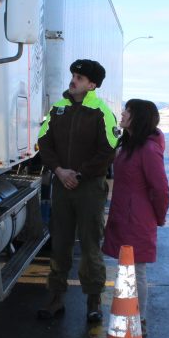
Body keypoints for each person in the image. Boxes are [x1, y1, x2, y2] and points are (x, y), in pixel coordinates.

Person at [37, 59, 119, 323]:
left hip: (89, 188)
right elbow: (43, 141)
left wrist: (80, 174)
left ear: (92, 84)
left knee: (90, 246)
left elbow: (108, 151)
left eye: (80, 78)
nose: (73, 80)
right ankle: (55, 299)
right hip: (62, 185)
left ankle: (93, 302)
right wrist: (60, 171)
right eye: (73, 75)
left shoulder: (102, 112)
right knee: (59, 243)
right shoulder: (58, 109)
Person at [101, 99, 169, 338]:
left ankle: (139, 321)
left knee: (135, 270)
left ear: (137, 117)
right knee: (125, 269)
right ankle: (128, 315)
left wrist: (158, 217)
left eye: (127, 111)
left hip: (137, 218)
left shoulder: (148, 150)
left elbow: (160, 188)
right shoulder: (129, 144)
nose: (122, 113)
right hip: (124, 216)